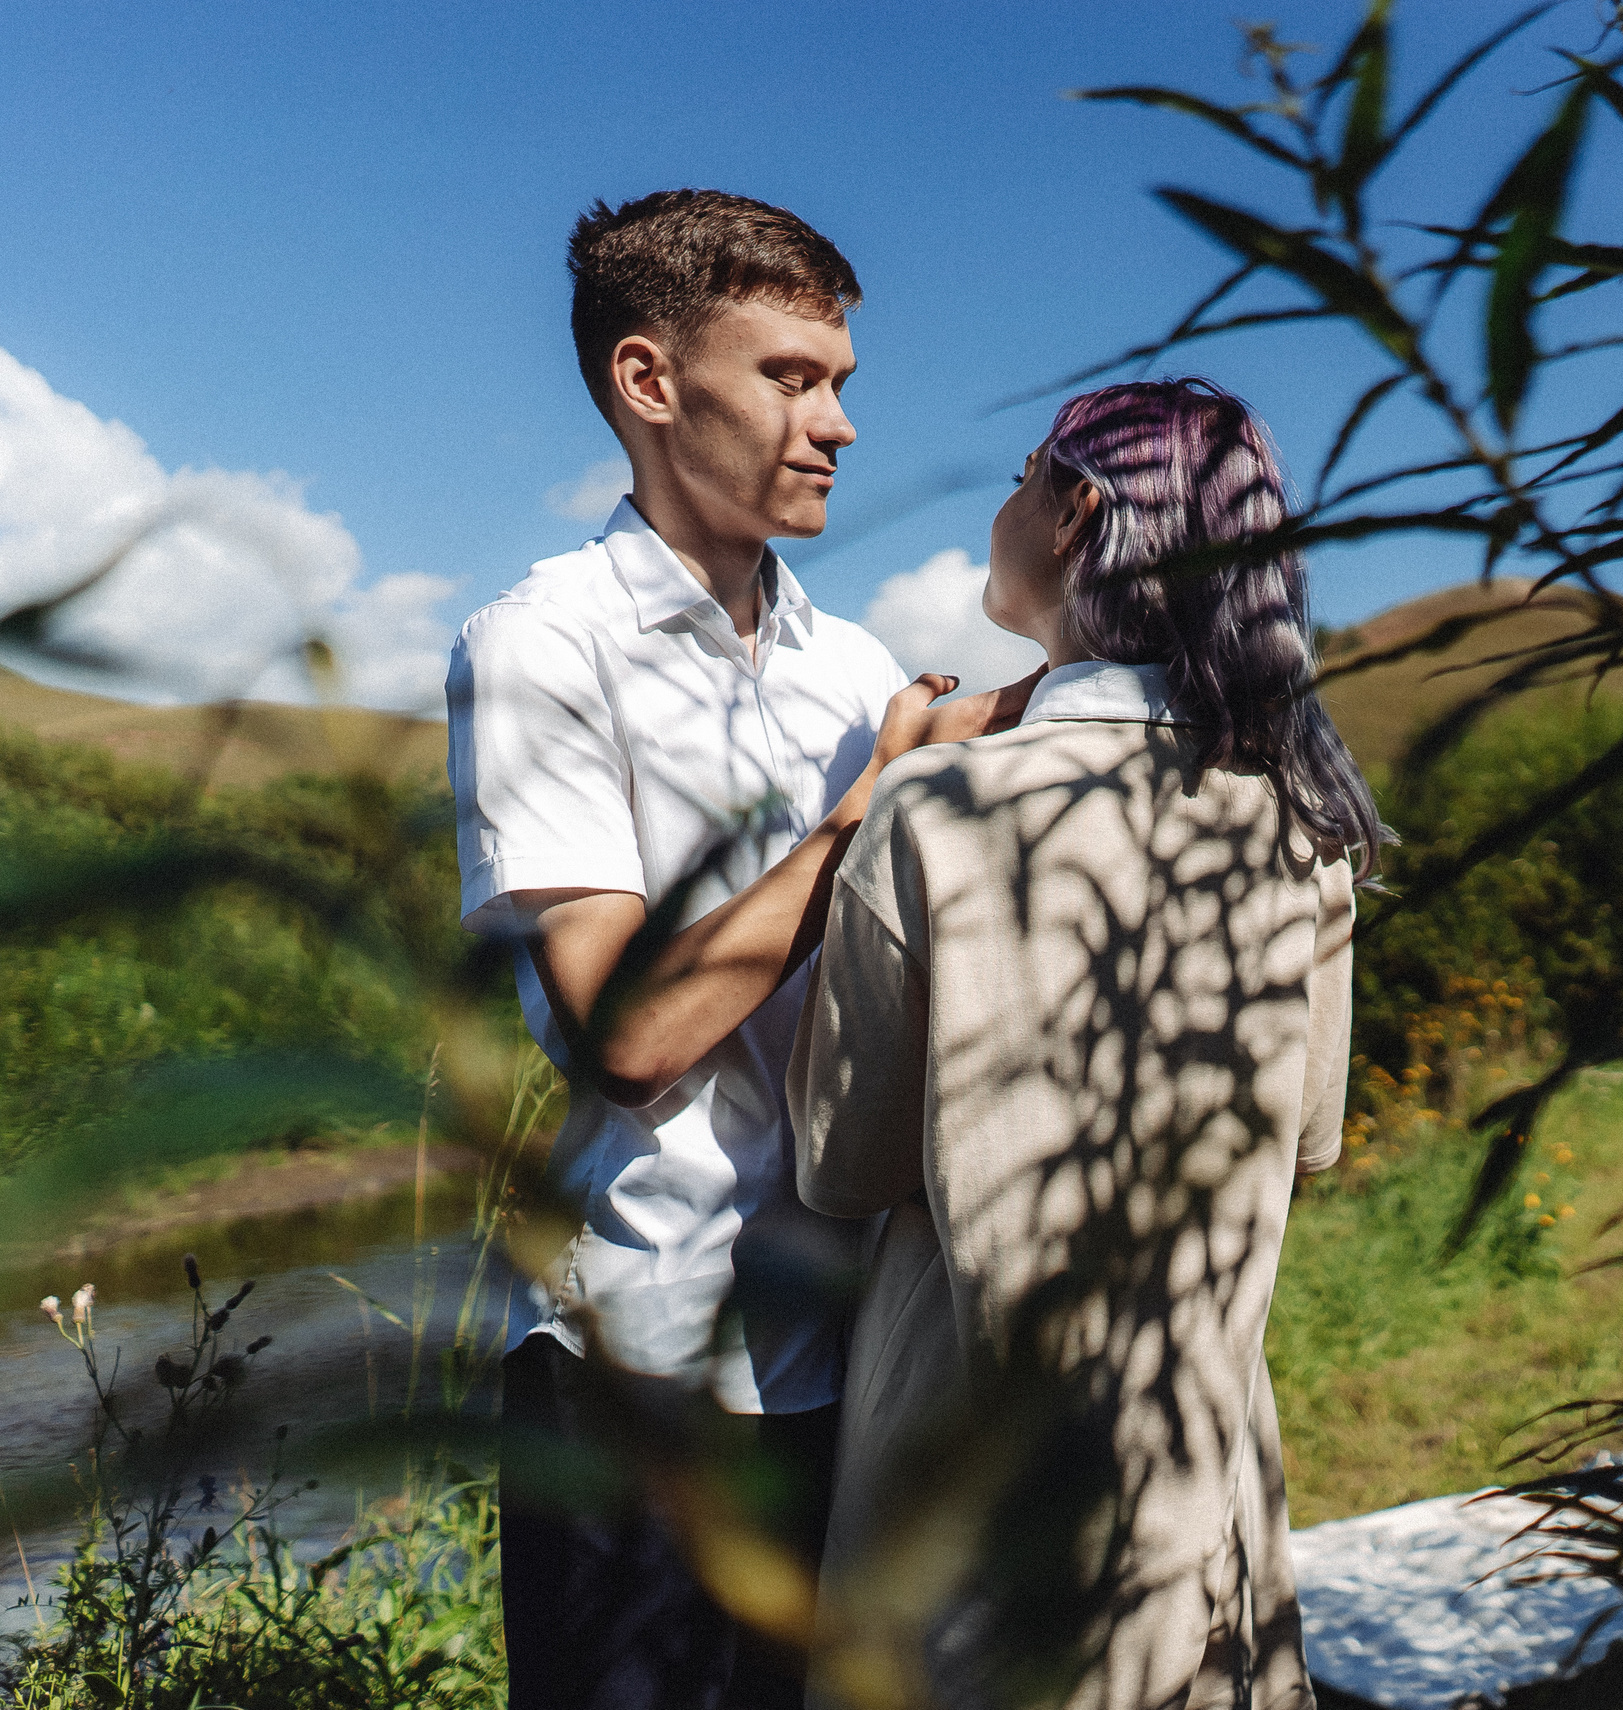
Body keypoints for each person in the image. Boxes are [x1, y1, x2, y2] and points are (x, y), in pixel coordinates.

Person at [445, 189, 1037, 1710]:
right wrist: (868, 816)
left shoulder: (852, 666)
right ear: (651, 381)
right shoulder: (539, 645)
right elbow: (621, 1036)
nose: (838, 421)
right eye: (791, 375)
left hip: (860, 1354)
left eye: (840, 380)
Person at [789, 378, 1382, 1709]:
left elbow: (840, 1161)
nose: (1003, 503)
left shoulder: (936, 806)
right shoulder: (1301, 829)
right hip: (1200, 1429)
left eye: (1020, 472)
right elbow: (1313, 1137)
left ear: (1075, 512)